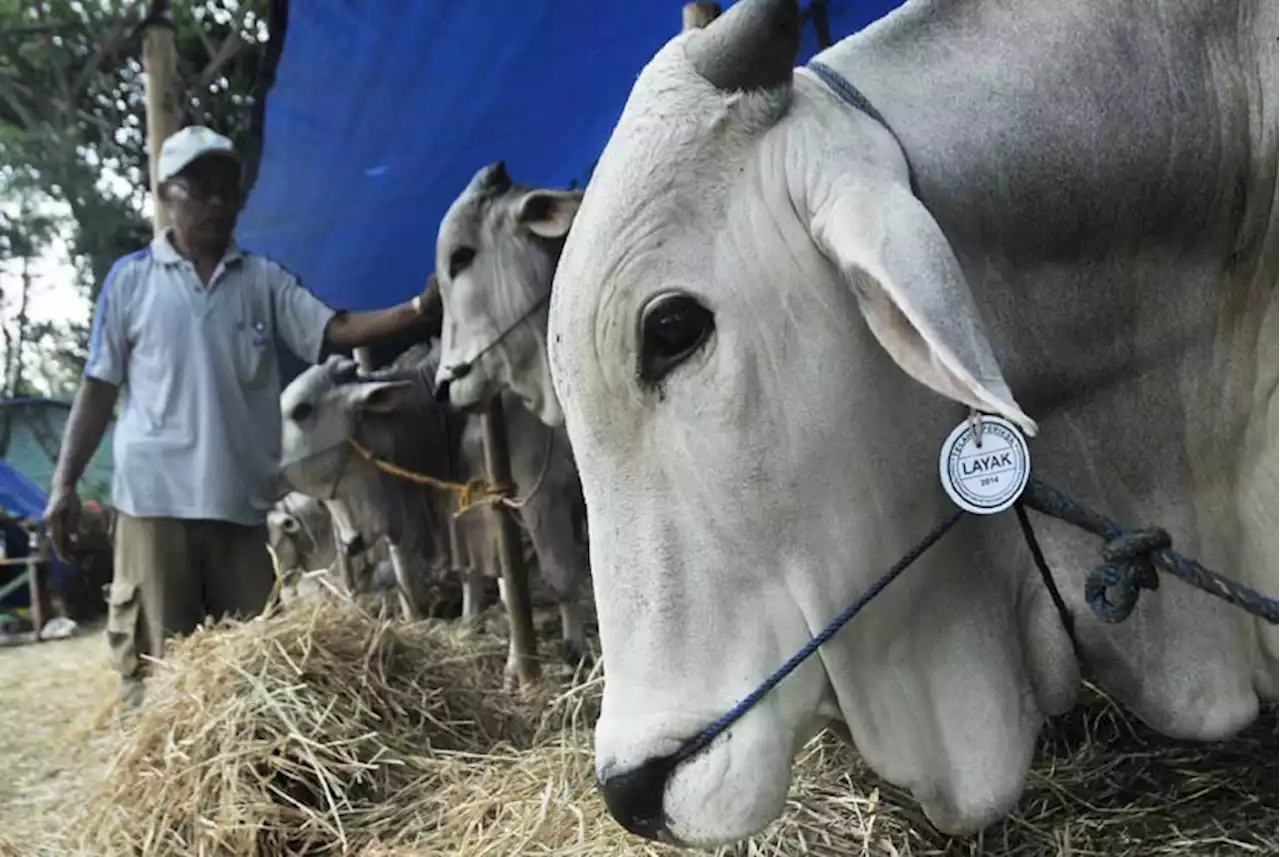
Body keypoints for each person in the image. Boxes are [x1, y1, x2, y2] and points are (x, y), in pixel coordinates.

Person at [42, 125, 438, 709]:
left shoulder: (262, 282)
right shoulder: (130, 283)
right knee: (159, 676)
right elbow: (98, 388)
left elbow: (336, 329)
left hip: (239, 507)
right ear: (164, 195)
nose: (216, 202)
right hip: (155, 505)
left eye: (228, 189)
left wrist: (417, 310)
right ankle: (164, 795)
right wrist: (64, 483)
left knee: (250, 682)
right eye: (198, 189)